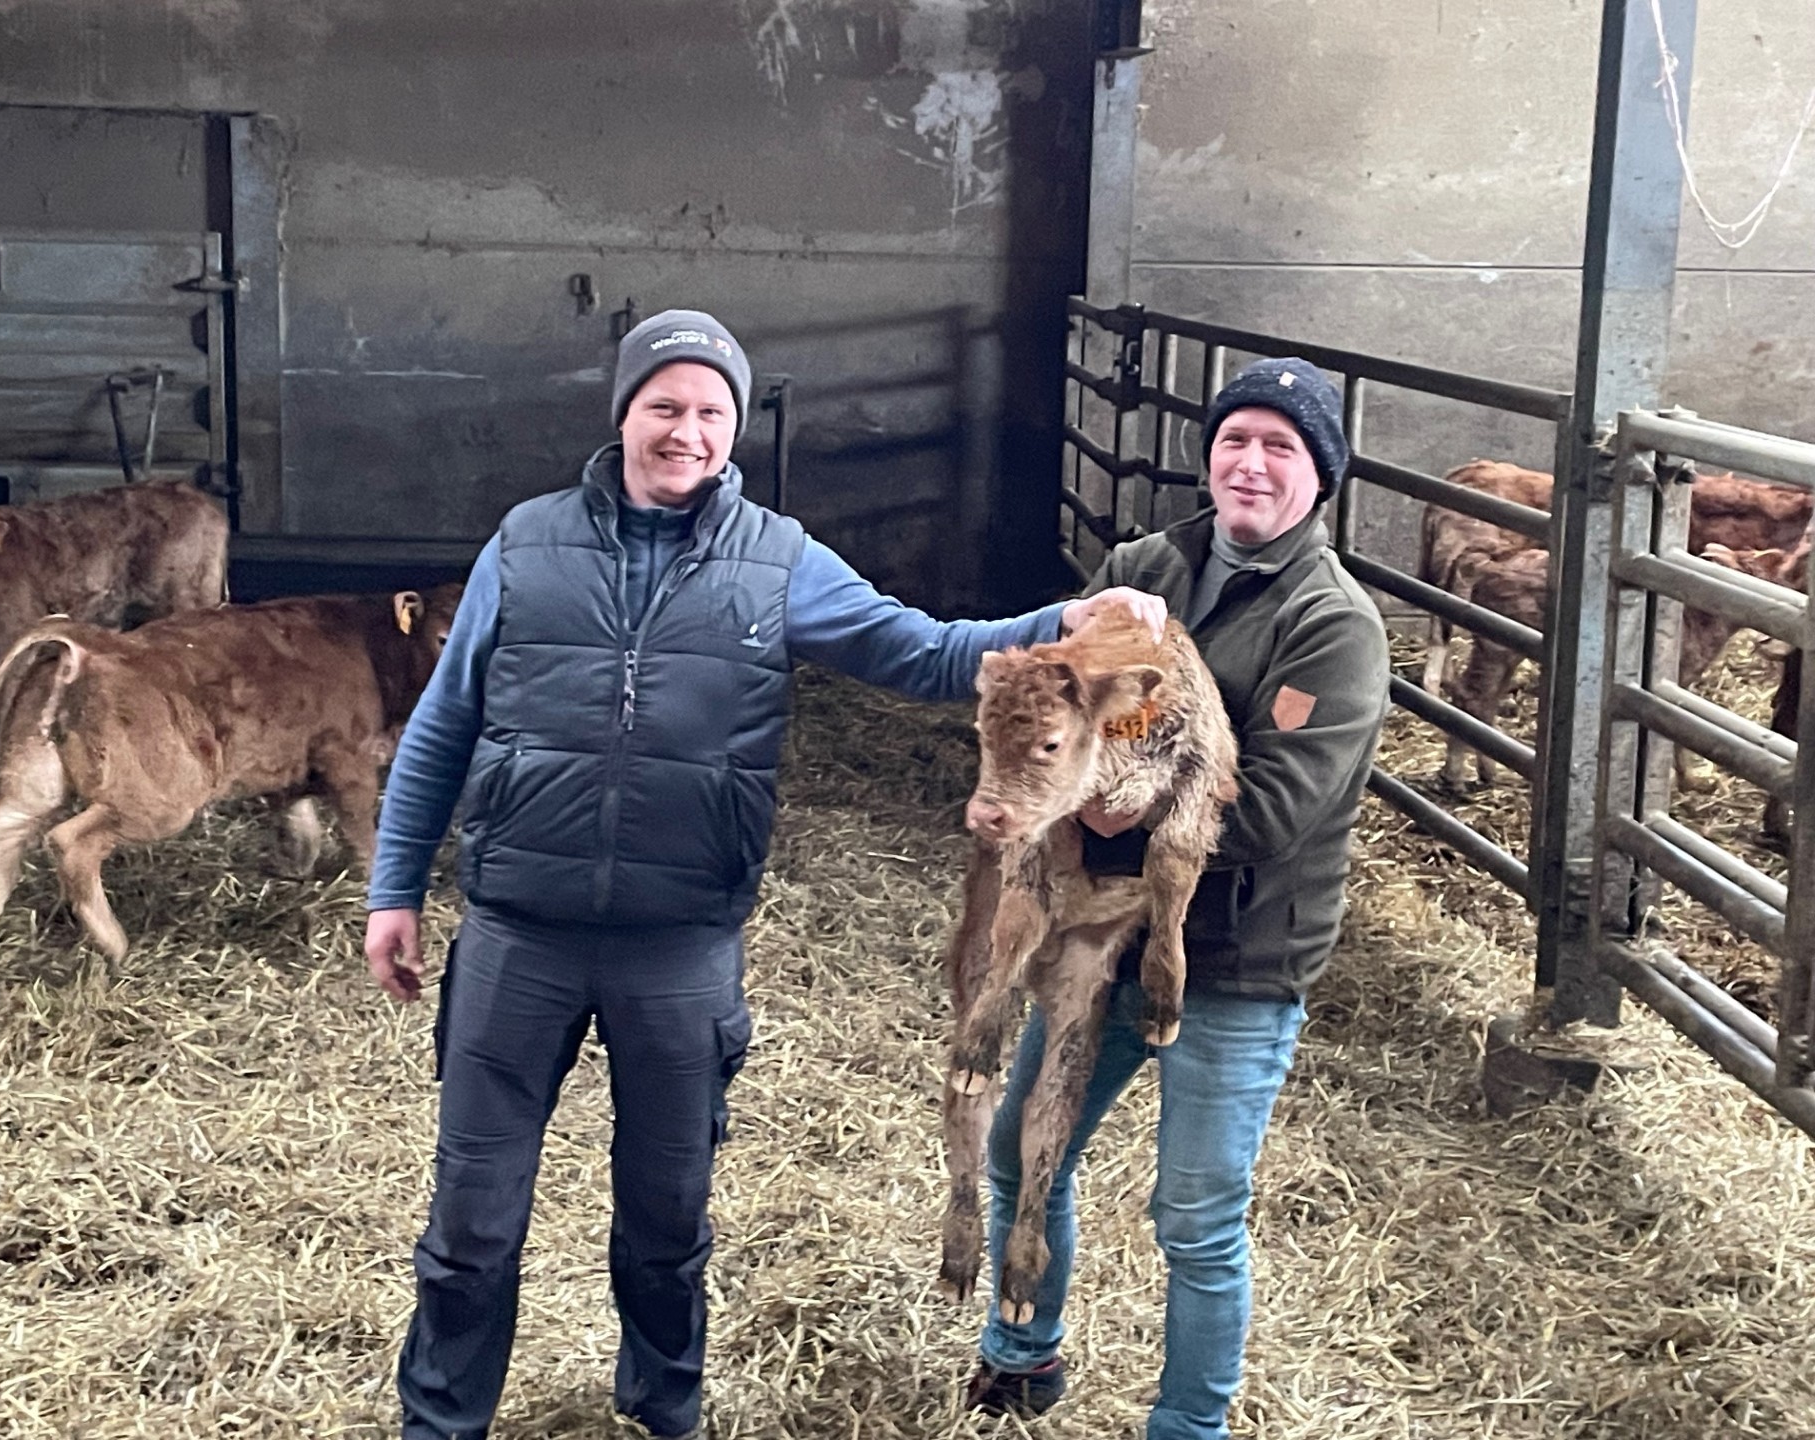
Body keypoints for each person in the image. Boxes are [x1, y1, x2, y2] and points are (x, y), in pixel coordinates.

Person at [363, 308, 1167, 1440]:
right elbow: (445, 722)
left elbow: (921, 649)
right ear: (624, 413)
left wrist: (1066, 620)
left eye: (710, 412)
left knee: (666, 1220)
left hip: (680, 943)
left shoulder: (777, 559)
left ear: (732, 428)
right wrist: (393, 888)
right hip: (517, 934)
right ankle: (441, 1423)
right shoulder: (526, 543)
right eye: (664, 406)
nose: (685, 432)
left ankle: (662, 1410)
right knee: (472, 1221)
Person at [964, 357, 1391, 1439]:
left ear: (1321, 476)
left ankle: (1189, 1424)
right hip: (1100, 931)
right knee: (1023, 1150)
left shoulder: (1332, 625)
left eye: (1281, 447)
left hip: (1238, 953)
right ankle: (1021, 1357)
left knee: (1195, 1213)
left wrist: (1096, 809)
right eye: (1235, 439)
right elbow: (1070, 715)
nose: (1251, 463)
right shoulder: (1142, 568)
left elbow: (1273, 811)